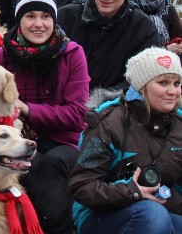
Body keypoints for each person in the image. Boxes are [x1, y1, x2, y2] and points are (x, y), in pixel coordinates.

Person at [0, 0, 89, 233]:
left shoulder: (72, 54)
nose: (39, 24)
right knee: (27, 161)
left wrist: (28, 110)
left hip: (64, 142)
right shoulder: (1, 55)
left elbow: (77, 114)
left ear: (54, 20)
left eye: (45, 16)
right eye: (30, 16)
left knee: (50, 163)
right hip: (15, 140)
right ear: (19, 20)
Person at [70, 47, 182, 233]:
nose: (173, 91)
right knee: (152, 215)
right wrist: (132, 190)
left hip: (164, 209)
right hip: (102, 216)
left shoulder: (179, 124)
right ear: (141, 86)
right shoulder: (107, 123)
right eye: (163, 83)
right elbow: (82, 186)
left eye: (177, 83)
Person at [58, 0, 161, 90]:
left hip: (114, 104)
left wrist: (101, 102)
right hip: (64, 101)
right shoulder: (65, 16)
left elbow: (143, 76)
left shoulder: (142, 27)